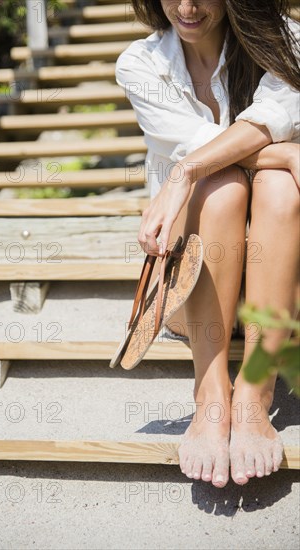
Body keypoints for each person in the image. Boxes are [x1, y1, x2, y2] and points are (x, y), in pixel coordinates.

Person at [115, 0, 300, 488]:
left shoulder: (287, 41)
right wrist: (284, 151)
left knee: (277, 188)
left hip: (284, 289)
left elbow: (264, 121)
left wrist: (187, 168)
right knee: (220, 187)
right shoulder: (141, 63)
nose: (187, 7)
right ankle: (211, 392)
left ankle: (256, 390)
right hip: (192, 289)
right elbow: (215, 147)